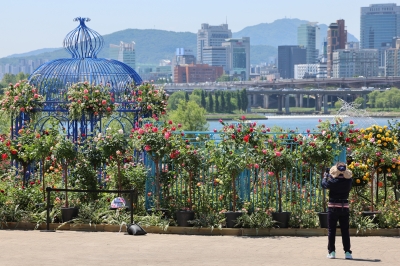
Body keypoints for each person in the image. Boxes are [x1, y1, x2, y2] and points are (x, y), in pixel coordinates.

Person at [321, 162, 353, 260]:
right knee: (345, 231)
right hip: (344, 207)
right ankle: (347, 252)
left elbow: (323, 184)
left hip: (333, 207)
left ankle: (332, 252)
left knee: (331, 230)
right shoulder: (349, 181)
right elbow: (350, 180)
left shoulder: (332, 181)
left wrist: (325, 176)